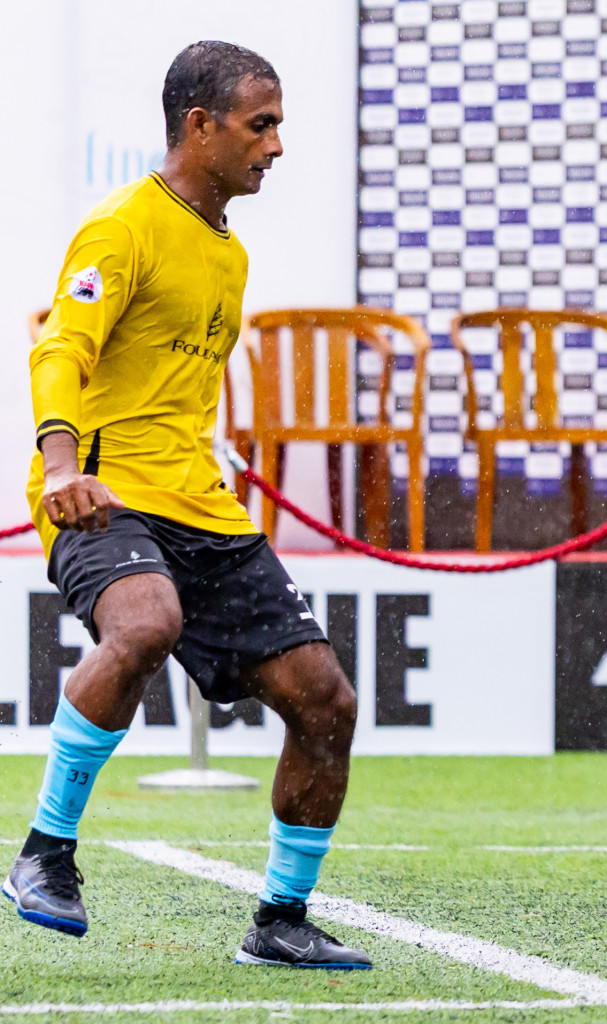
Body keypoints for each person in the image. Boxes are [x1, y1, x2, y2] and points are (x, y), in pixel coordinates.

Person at [5, 41, 371, 968]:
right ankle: (45, 856)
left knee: (327, 703)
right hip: (103, 492)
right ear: (199, 127)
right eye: (262, 124)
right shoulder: (121, 227)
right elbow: (60, 350)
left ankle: (280, 921)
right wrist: (58, 470)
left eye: (279, 124)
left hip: (201, 505)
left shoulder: (227, 251)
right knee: (144, 625)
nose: (277, 145)